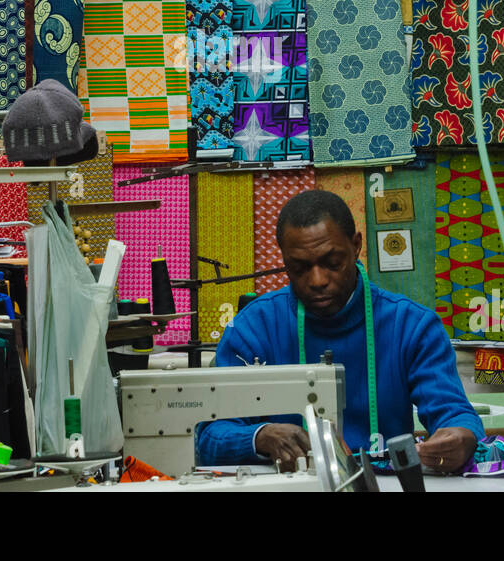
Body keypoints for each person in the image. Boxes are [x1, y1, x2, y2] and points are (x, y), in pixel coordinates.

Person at [196, 189, 484, 474]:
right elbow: (210, 435)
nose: (318, 280)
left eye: (332, 263)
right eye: (299, 268)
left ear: (356, 245)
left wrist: (461, 437)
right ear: (283, 259)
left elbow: (452, 410)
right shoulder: (253, 329)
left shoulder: (411, 326)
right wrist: (260, 436)